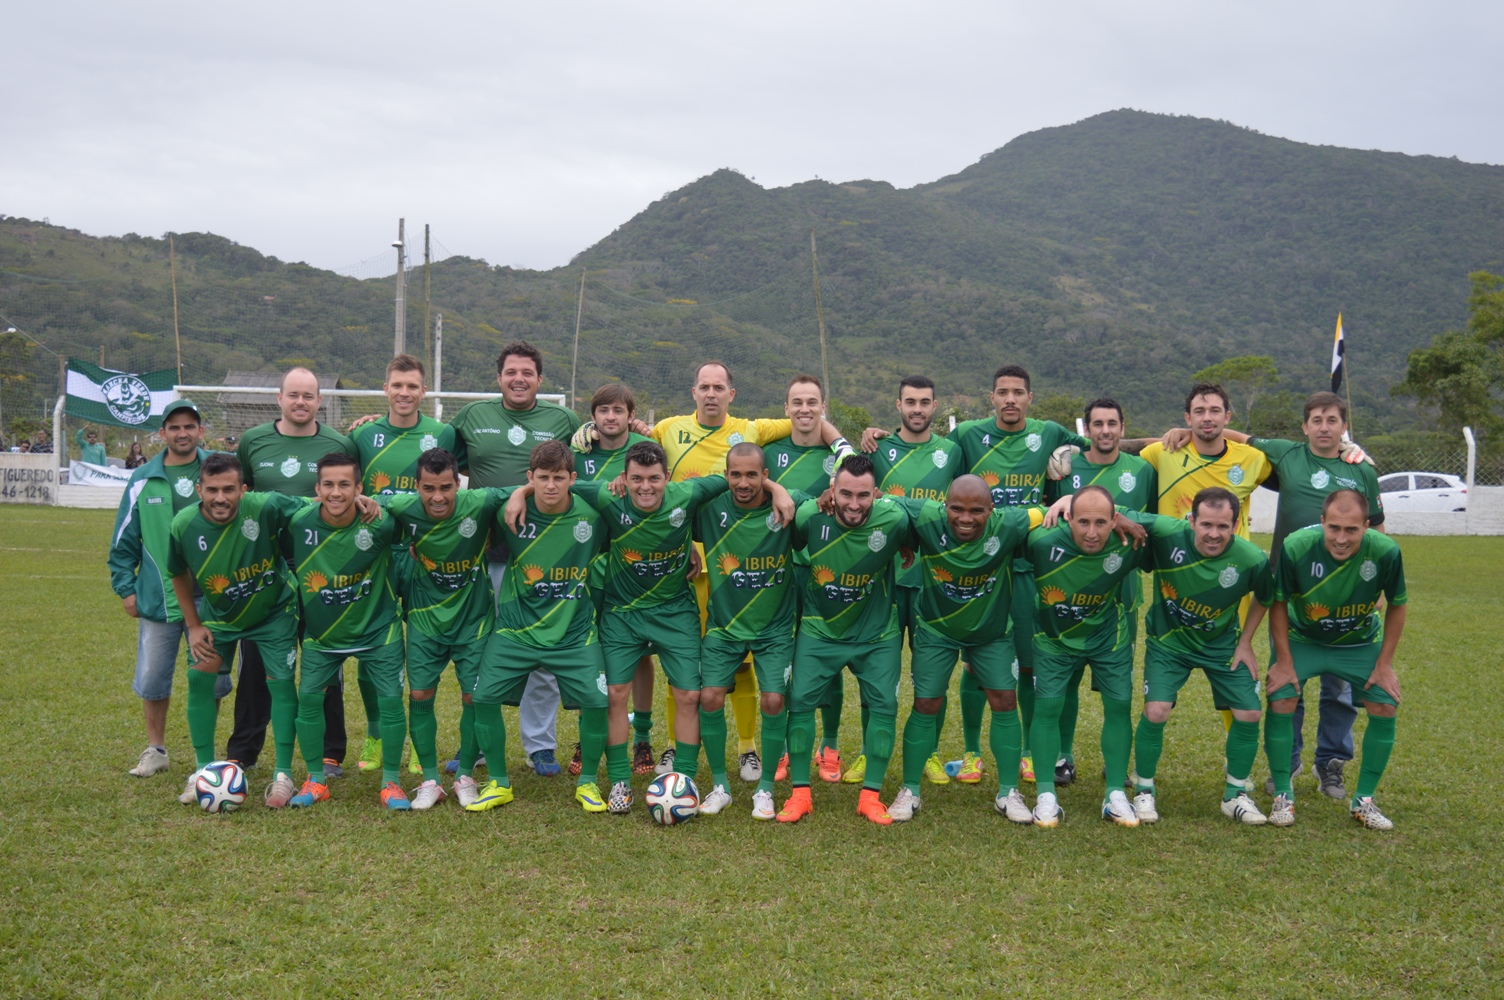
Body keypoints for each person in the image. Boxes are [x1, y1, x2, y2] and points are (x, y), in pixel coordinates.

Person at [578, 360, 842, 782]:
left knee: (743, 658)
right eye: (705, 386)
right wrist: (588, 435)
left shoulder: (752, 428)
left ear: (731, 394)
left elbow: (811, 420)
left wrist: (784, 482)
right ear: (694, 391)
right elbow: (632, 447)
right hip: (685, 558)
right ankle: (671, 748)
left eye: (720, 386)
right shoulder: (667, 428)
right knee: (694, 667)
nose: (712, 393)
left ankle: (747, 748)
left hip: (729, 551)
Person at [1177, 391, 1385, 801]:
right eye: (1317, 420)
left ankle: (1331, 764)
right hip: (1289, 593)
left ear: (1344, 427)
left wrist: (1372, 582)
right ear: (1304, 426)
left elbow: (1376, 529)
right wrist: (1186, 431)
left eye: (1332, 420)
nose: (1324, 427)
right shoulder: (1287, 455)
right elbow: (1240, 437)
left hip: (1346, 593)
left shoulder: (1362, 470)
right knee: (1287, 678)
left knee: (1339, 688)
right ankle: (1285, 765)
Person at [441, 342, 583, 777]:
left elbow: (591, 461)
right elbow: (439, 464)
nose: (518, 379)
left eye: (527, 372)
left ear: (541, 380)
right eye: (510, 372)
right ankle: (481, 745)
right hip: (485, 552)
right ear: (498, 377)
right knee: (484, 648)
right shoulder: (470, 418)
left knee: (541, 649)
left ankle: (540, 746)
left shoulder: (564, 420)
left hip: (546, 553)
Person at [948, 365, 1087, 786]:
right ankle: (973, 753)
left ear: (1030, 398)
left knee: (1027, 667)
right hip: (982, 567)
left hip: (1028, 567)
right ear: (991, 397)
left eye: (1018, 393)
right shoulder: (968, 434)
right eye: (1002, 392)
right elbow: (924, 449)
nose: (1010, 399)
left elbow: (1100, 446)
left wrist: (1069, 474)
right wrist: (877, 436)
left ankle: (1027, 751)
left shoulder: (1047, 433)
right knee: (975, 666)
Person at [886, 475, 1045, 823]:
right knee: (926, 702)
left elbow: (1054, 511)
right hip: (936, 628)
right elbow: (884, 501)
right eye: (956, 508)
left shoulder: (1011, 522)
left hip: (990, 632)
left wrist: (1113, 512)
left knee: (1004, 699)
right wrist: (901, 538)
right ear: (944, 506)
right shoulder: (927, 516)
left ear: (992, 510)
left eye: (977, 511)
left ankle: (1008, 792)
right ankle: (910, 789)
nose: (965, 518)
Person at [165, 452, 318, 808]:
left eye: (230, 490)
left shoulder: (265, 506)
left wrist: (358, 499)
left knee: (280, 684)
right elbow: (178, 573)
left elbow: (317, 503)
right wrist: (193, 625)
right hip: (219, 616)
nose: (221, 498)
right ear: (199, 489)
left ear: (244, 489)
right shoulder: (183, 525)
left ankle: (283, 775)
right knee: (199, 677)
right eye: (213, 490)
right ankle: (203, 771)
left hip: (275, 611)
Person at [468, 441, 613, 814]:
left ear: (573, 479)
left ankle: (588, 784)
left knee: (598, 702)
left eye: (559, 478)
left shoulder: (593, 515)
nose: (551, 486)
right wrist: (518, 494)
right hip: (517, 629)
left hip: (574, 632)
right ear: (530, 478)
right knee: (482, 697)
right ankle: (499, 782)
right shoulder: (508, 512)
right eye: (543, 478)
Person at [230, 368, 357, 776]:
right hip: (265, 569)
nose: (300, 402)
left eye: (309, 396)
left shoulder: (339, 442)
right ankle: (243, 750)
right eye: (293, 395)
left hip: (320, 569)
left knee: (324, 657)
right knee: (256, 662)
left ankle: (329, 752)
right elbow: (239, 499)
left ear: (320, 401)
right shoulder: (252, 442)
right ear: (279, 398)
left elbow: (354, 496)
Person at [778, 454, 914, 826]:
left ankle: (870, 797)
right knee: (801, 703)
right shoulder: (810, 516)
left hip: (877, 633)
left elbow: (936, 514)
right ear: (831, 492)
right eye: (846, 494)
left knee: (884, 704)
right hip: (820, 629)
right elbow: (777, 497)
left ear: (877, 494)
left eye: (863, 495)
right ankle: (801, 794)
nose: (854, 504)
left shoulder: (895, 519)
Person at [375, 448, 510, 810]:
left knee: (473, 697)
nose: (438, 497)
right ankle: (431, 779)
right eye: (429, 488)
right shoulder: (401, 506)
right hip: (425, 620)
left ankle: (465, 774)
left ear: (458, 483)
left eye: (446, 487)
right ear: (416, 486)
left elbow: (528, 488)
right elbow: (355, 500)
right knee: (420, 696)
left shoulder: (480, 501)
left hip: (474, 620)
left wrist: (526, 493)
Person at [1129, 487, 1273, 825]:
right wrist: (1064, 503)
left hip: (1222, 645)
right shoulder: (1166, 531)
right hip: (1169, 642)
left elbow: (1266, 597)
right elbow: (1115, 511)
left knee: (1250, 713)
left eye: (1223, 527)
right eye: (1206, 524)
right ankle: (1144, 790)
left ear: (1236, 525)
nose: (1214, 534)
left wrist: (1246, 641)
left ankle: (1235, 795)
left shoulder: (1252, 559)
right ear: (1191, 520)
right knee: (1156, 709)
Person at [1265, 490, 1407, 830]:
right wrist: (1284, 661)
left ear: (1366, 526)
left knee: (1386, 704)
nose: (1341, 539)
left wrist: (1384, 664)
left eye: (1351, 530)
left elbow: (1398, 604)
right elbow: (1279, 602)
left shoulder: (1386, 552)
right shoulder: (1296, 546)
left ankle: (1364, 801)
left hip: (1357, 643)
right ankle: (1283, 793)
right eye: (1334, 528)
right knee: (1281, 698)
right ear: (1322, 522)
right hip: (1304, 638)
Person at [694, 442, 817, 818]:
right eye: (735, 474)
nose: (743, 482)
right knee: (710, 697)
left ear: (766, 475)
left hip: (774, 627)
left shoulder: (786, 506)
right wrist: (688, 551)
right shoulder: (711, 509)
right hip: (725, 625)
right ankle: (719, 785)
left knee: (774, 701)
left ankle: (764, 789)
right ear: (726, 475)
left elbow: (816, 504)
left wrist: (779, 491)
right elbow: (670, 518)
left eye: (752, 474)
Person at [854, 375, 962, 787]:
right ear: (897, 405)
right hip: (881, 578)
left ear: (935, 406)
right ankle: (868, 752)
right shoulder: (876, 448)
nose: (917, 409)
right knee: (875, 673)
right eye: (910, 402)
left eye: (925, 402)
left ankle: (931, 752)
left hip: (933, 578)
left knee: (930, 674)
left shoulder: (951, 453)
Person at [283, 452, 407, 810]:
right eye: (328, 485)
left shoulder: (381, 523)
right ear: (316, 488)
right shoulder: (297, 520)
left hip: (378, 631)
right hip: (323, 636)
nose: (336, 492)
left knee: (390, 704)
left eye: (344, 485)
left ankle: (392, 782)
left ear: (359, 488)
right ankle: (315, 780)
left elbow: (417, 502)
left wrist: (379, 502)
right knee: (308, 701)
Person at [1043, 397, 1156, 788]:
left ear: (1123, 429)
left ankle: (1116, 762)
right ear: (1086, 429)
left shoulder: (1141, 469)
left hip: (1120, 593)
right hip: (1070, 591)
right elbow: (1049, 516)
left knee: (1117, 690)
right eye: (1097, 424)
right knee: (1065, 682)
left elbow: (1149, 525)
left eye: (1112, 424)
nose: (1105, 431)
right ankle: (1063, 757)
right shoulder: (1066, 467)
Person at [1024, 486, 1150, 828]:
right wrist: (1060, 500)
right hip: (1054, 637)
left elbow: (1176, 529)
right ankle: (1046, 794)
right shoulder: (1041, 541)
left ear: (1115, 521)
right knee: (1047, 707)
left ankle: (1114, 795)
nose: (1091, 532)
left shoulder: (1129, 540)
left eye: (1100, 522)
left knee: (1119, 705)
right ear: (1069, 518)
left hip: (1107, 635)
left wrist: (1128, 518)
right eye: (1083, 522)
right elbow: (1003, 519)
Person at [108, 401, 222, 778]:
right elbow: (124, 539)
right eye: (174, 428)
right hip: (158, 598)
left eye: (190, 426)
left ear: (200, 431)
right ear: (163, 433)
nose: (183, 433)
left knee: (208, 676)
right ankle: (155, 749)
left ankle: (206, 754)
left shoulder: (218, 471)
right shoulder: (143, 477)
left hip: (212, 596)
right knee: (154, 678)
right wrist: (126, 588)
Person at [349, 353, 447, 777]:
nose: (404, 393)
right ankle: (377, 734)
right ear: (385, 389)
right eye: (397, 385)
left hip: (426, 556)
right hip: (377, 557)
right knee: (374, 652)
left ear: (423, 391)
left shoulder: (443, 433)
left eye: (412, 386)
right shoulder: (362, 435)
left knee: (424, 651)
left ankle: (417, 740)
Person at [570, 383, 655, 777]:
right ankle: (586, 736)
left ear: (629, 415)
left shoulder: (643, 449)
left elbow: (661, 493)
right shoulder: (579, 452)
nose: (610, 417)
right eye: (602, 410)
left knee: (639, 653)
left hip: (635, 565)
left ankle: (642, 740)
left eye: (618, 410)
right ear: (593, 416)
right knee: (592, 651)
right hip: (589, 564)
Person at [761, 375, 842, 783]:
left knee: (828, 659)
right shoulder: (768, 453)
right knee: (783, 660)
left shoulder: (839, 456)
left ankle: (829, 747)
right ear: (786, 407)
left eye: (812, 401)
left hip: (826, 570)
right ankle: (782, 751)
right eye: (797, 402)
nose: (805, 409)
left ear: (823, 407)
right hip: (777, 571)